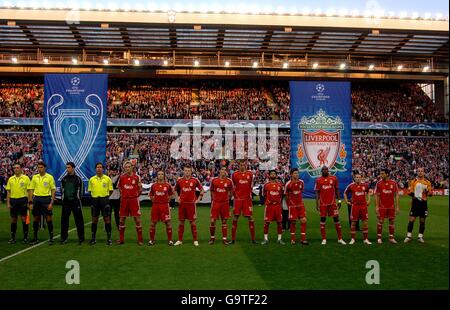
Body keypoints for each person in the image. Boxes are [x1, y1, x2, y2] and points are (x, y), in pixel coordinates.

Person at [315, 166, 346, 245]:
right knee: (322, 220)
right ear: (321, 171)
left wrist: (339, 200)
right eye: (324, 170)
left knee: (336, 219)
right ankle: (324, 239)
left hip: (332, 203)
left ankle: (340, 238)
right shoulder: (318, 180)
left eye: (326, 170)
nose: (325, 171)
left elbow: (337, 189)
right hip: (323, 204)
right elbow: (317, 192)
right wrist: (317, 203)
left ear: (328, 171)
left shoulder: (334, 178)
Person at [174, 165, 204, 246]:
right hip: (182, 204)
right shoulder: (180, 180)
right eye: (186, 170)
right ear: (183, 171)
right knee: (181, 222)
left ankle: (195, 240)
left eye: (188, 171)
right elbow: (175, 190)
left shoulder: (195, 180)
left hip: (191, 204)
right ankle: (180, 240)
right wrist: (177, 198)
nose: (187, 172)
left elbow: (202, 190)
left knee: (193, 223)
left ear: (191, 172)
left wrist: (198, 200)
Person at [27, 161, 56, 245]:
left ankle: (51, 238)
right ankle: (35, 238)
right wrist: (30, 202)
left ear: (45, 168)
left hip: (46, 199)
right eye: (38, 167)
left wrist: (51, 203)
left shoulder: (50, 177)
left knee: (49, 219)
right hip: (36, 200)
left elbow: (53, 190)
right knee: (36, 219)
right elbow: (31, 190)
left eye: (41, 167)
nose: (39, 169)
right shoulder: (34, 177)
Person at [117, 161, 143, 245]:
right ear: (124, 168)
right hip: (124, 200)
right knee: (121, 220)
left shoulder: (137, 177)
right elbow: (120, 187)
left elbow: (140, 189)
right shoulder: (122, 177)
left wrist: (135, 195)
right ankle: (121, 239)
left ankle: (140, 240)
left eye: (129, 166)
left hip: (134, 200)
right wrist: (124, 194)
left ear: (132, 167)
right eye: (126, 167)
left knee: (137, 219)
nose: (127, 168)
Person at [231, 159, 257, 244]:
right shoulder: (234, 174)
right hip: (238, 199)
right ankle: (233, 239)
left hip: (247, 199)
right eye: (241, 164)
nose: (242, 166)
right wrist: (235, 195)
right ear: (239, 165)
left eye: (244, 164)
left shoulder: (250, 174)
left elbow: (251, 186)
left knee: (251, 217)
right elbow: (233, 186)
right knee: (235, 217)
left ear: (246, 165)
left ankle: (253, 239)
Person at [87, 162, 113, 245]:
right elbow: (90, 190)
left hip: (104, 200)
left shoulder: (107, 179)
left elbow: (111, 190)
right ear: (95, 169)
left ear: (103, 169)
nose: (99, 168)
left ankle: (109, 239)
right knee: (94, 220)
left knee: (107, 219)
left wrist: (105, 197)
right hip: (95, 200)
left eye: (100, 167)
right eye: (97, 167)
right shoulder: (91, 179)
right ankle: (93, 238)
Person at [404, 167, 432, 243]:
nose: (420, 172)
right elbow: (409, 192)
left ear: (424, 172)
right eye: (419, 171)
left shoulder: (427, 182)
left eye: (421, 171)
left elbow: (431, 193)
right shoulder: (413, 181)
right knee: (411, 220)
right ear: (417, 172)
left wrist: (427, 192)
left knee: (422, 221)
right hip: (415, 203)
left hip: (423, 203)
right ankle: (408, 236)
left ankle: (420, 237)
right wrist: (413, 193)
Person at [60, 162, 85, 245]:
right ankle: (64, 238)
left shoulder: (78, 179)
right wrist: (64, 200)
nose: (67, 169)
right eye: (66, 167)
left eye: (69, 167)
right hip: (66, 203)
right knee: (64, 221)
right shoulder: (64, 179)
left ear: (73, 168)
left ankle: (81, 238)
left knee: (79, 221)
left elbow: (82, 191)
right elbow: (61, 190)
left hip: (75, 202)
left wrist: (78, 199)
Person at [5, 163, 30, 244]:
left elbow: (29, 191)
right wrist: (8, 203)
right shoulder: (10, 179)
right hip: (13, 200)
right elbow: (8, 192)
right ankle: (13, 238)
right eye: (14, 168)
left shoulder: (26, 178)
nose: (16, 169)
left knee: (24, 219)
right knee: (13, 219)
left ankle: (25, 238)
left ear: (21, 169)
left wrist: (29, 202)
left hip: (23, 200)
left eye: (17, 168)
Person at [344, 173, 372, 245]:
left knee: (365, 222)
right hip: (355, 206)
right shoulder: (351, 186)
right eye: (356, 177)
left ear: (361, 178)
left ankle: (365, 239)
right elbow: (345, 193)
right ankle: (353, 239)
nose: (358, 178)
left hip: (363, 206)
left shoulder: (365, 185)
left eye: (359, 177)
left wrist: (369, 200)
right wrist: (346, 201)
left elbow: (368, 192)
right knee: (353, 223)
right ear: (354, 178)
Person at [149, 170, 174, 246]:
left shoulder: (167, 185)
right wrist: (154, 200)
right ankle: (151, 240)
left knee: (168, 223)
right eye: (159, 174)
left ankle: (170, 240)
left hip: (165, 206)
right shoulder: (153, 185)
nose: (160, 175)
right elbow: (150, 194)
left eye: (161, 174)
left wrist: (167, 201)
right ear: (157, 176)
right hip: (155, 206)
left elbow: (171, 194)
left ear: (164, 176)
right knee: (153, 223)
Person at [374, 169, 400, 244]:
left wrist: (397, 206)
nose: (381, 175)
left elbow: (396, 195)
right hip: (382, 206)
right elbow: (376, 195)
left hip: (391, 206)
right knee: (381, 221)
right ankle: (379, 238)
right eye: (380, 173)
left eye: (382, 173)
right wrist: (376, 206)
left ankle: (391, 238)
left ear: (387, 174)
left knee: (392, 221)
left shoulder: (393, 183)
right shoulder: (379, 183)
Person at [209, 166, 233, 245]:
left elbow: (231, 191)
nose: (223, 171)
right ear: (219, 171)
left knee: (224, 221)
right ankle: (212, 238)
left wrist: (227, 198)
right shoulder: (214, 180)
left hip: (225, 203)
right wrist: (213, 198)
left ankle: (224, 239)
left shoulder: (229, 181)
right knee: (212, 221)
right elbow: (211, 190)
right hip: (216, 203)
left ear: (226, 172)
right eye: (222, 169)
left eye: (225, 170)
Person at [284, 168, 309, 245]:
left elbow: (301, 191)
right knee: (293, 222)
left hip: (300, 205)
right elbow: (285, 194)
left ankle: (303, 239)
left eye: (297, 173)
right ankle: (293, 239)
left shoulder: (301, 182)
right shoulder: (288, 184)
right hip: (292, 206)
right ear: (291, 174)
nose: (297, 174)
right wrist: (289, 204)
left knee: (304, 220)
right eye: (295, 173)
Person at [261, 170, 285, 245]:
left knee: (279, 222)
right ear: (269, 175)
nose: (273, 175)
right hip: (269, 206)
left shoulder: (280, 185)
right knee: (266, 223)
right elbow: (263, 195)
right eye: (272, 174)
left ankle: (279, 239)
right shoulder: (266, 185)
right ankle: (265, 239)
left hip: (277, 206)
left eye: (274, 174)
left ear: (276, 175)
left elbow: (281, 195)